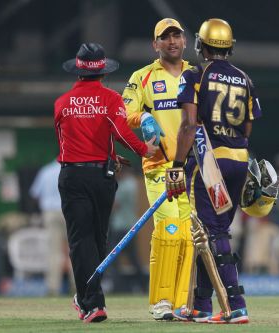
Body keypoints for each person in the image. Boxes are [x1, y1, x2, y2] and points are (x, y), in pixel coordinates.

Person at [167, 18, 262, 324]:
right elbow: (248, 125)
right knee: (213, 232)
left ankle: (236, 305)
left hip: (210, 162)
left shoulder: (195, 75)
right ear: (229, 47)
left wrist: (178, 166)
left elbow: (189, 125)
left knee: (211, 233)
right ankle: (202, 306)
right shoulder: (245, 78)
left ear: (201, 44)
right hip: (239, 159)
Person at [55, 42, 157, 323]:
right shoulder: (111, 99)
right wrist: (143, 150)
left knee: (80, 239)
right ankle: (93, 299)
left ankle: (91, 303)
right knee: (98, 238)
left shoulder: (61, 103)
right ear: (102, 71)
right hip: (102, 176)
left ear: (78, 71)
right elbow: (121, 132)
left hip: (73, 175)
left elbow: (67, 142)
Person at [122, 18, 193, 320]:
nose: (172, 41)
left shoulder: (195, 74)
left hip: (193, 168)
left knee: (188, 236)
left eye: (176, 36)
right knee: (169, 230)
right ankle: (162, 301)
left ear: (185, 41)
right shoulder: (143, 76)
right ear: (156, 44)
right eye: (165, 38)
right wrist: (142, 119)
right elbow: (124, 110)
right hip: (159, 166)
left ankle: (182, 303)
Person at [29, 159, 74, 295]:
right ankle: (78, 286)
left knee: (53, 251)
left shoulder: (45, 170)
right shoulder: (72, 169)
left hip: (50, 213)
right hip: (69, 211)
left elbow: (34, 194)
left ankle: (53, 288)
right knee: (74, 249)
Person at [107, 167, 146, 292]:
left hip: (120, 226)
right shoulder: (133, 183)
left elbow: (114, 205)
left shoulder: (124, 186)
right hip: (130, 226)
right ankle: (143, 284)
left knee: (113, 259)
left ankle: (118, 287)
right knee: (133, 259)